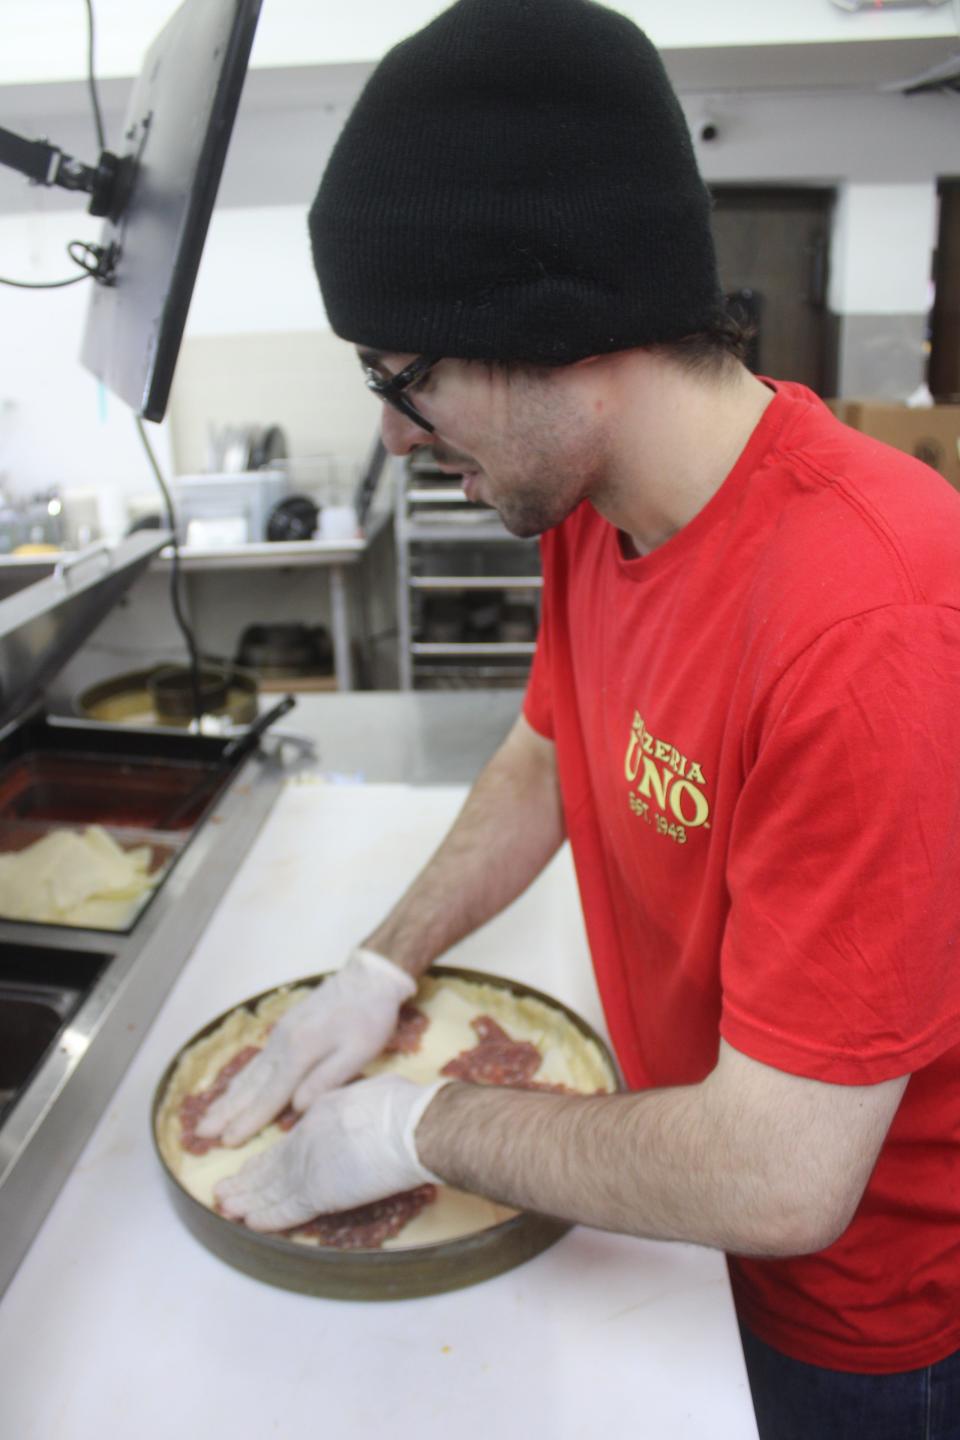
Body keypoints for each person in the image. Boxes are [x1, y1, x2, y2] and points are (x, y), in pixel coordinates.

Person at [197, 1, 960, 1433]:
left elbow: (786, 1174)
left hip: (860, 1319)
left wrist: (419, 1126)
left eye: (404, 377)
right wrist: (382, 962)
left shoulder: (877, 614)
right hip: (682, 1202)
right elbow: (552, 750)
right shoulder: (592, 503)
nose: (395, 436)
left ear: (552, 331)